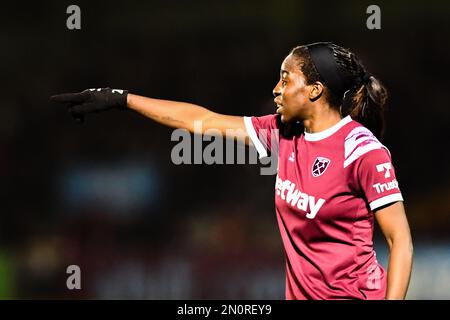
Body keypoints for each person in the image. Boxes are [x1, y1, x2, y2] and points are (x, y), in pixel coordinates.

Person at [51, 42, 413, 300]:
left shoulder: (363, 151)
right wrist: (121, 99)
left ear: (316, 91)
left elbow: (401, 242)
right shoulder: (282, 132)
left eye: (286, 80)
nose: (276, 90)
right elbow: (202, 121)